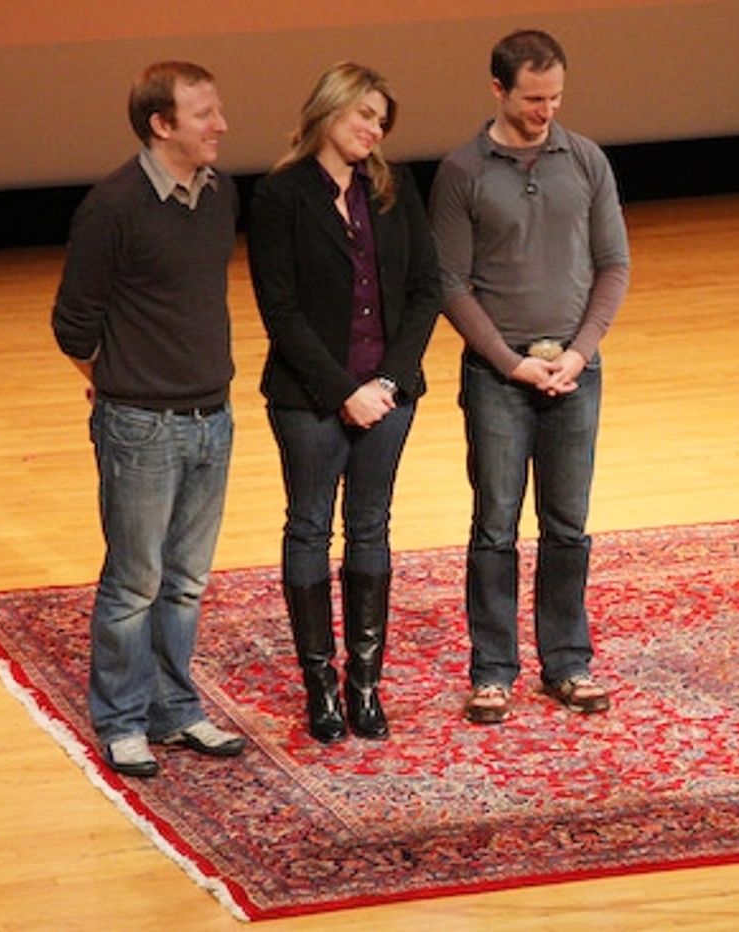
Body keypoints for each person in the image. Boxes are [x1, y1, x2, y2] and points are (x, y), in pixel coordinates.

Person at [429, 29, 630, 724]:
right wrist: (512, 364)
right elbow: (450, 285)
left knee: (568, 525)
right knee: (495, 524)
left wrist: (578, 353)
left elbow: (614, 266)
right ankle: (492, 670)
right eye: (533, 98)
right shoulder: (463, 172)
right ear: (498, 90)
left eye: (556, 98)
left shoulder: (586, 161)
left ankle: (568, 662)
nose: (547, 111)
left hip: (576, 369)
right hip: (498, 375)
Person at [52, 61, 247, 777]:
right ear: (162, 125)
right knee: (135, 581)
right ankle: (123, 719)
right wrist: (116, 387)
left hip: (212, 417)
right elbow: (74, 325)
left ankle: (175, 708)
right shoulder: (113, 206)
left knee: (187, 580)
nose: (220, 126)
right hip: (142, 426)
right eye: (204, 115)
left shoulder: (219, 194)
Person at [248, 63, 442, 742]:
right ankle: (320, 689)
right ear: (328, 111)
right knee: (308, 528)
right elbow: (281, 309)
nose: (373, 130)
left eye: (381, 121)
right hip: (310, 400)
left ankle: (365, 686)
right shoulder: (280, 196)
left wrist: (387, 383)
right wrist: (343, 393)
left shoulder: (393, 189)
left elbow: (426, 290)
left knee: (371, 527)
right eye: (364, 115)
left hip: (389, 397)